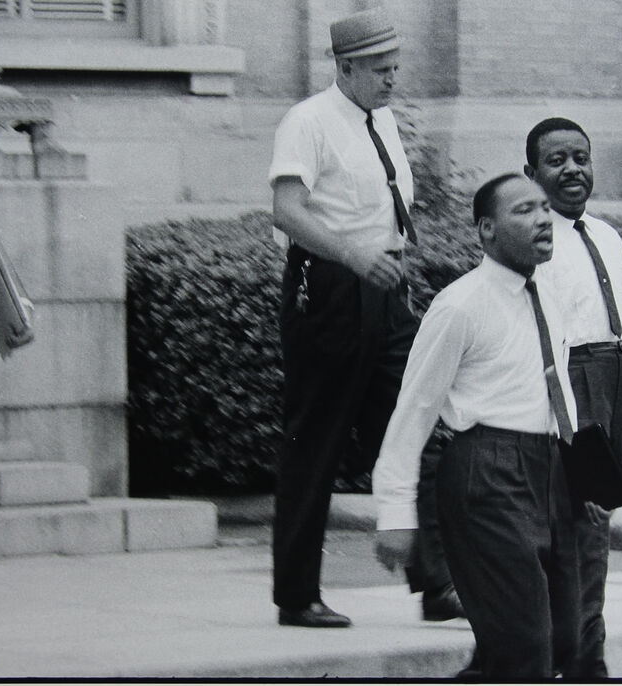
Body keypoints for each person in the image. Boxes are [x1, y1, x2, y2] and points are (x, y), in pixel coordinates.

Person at [267, 7, 459, 628]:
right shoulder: (309, 121)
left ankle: (434, 583)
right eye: (380, 69)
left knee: (411, 427)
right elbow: (287, 211)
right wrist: (353, 255)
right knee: (314, 440)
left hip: (384, 288)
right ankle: (297, 595)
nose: (391, 79)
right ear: (345, 67)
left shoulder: (380, 120)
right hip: (325, 286)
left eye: (396, 67)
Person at [373, 173, 582, 678]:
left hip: (550, 472)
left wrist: (583, 474)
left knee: (561, 641)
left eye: (544, 208)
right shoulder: (459, 305)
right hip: (488, 474)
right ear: (486, 230)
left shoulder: (550, 294)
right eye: (523, 211)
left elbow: (554, 392)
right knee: (525, 646)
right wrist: (395, 513)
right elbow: (414, 409)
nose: (542, 219)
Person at [525, 116, 622, 677]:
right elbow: (545, 340)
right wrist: (572, 429)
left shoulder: (607, 236)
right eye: (556, 160)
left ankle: (576, 655)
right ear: (531, 173)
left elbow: (621, 336)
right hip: (572, 393)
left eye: (581, 157)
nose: (572, 169)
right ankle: (582, 662)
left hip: (616, 387)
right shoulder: (535, 240)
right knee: (582, 528)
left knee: (593, 527)